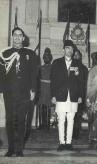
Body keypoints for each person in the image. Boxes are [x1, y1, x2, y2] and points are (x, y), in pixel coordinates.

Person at [0, 27, 38, 157]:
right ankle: (11, 148)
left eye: (19, 35)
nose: (17, 37)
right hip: (9, 93)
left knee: (22, 120)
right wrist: (0, 91)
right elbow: (1, 74)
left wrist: (33, 90)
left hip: (24, 93)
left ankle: (19, 149)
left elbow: (34, 74)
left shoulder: (31, 54)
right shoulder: (4, 54)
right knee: (10, 120)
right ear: (12, 37)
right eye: (15, 35)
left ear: (23, 38)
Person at [51, 40, 84, 151]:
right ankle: (62, 142)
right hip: (60, 95)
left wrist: (80, 95)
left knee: (71, 120)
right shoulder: (56, 62)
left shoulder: (78, 64)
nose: (69, 51)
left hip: (73, 96)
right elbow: (53, 80)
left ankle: (69, 143)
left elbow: (80, 81)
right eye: (67, 48)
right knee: (61, 120)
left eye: (71, 49)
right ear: (63, 49)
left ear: (73, 50)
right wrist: (53, 95)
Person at [72, 49, 88, 139]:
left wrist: (83, 95)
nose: (76, 56)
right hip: (70, 95)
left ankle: (76, 133)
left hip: (80, 95)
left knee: (78, 115)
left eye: (78, 55)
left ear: (80, 56)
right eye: (74, 55)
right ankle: (69, 133)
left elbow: (86, 83)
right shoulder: (69, 66)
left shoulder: (84, 68)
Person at [37, 48, 53, 129]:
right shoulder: (40, 67)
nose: (46, 58)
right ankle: (41, 124)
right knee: (41, 106)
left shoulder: (53, 67)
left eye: (48, 57)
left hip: (49, 89)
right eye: (45, 57)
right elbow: (37, 79)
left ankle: (47, 124)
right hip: (41, 89)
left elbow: (54, 79)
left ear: (50, 58)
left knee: (48, 106)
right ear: (43, 58)